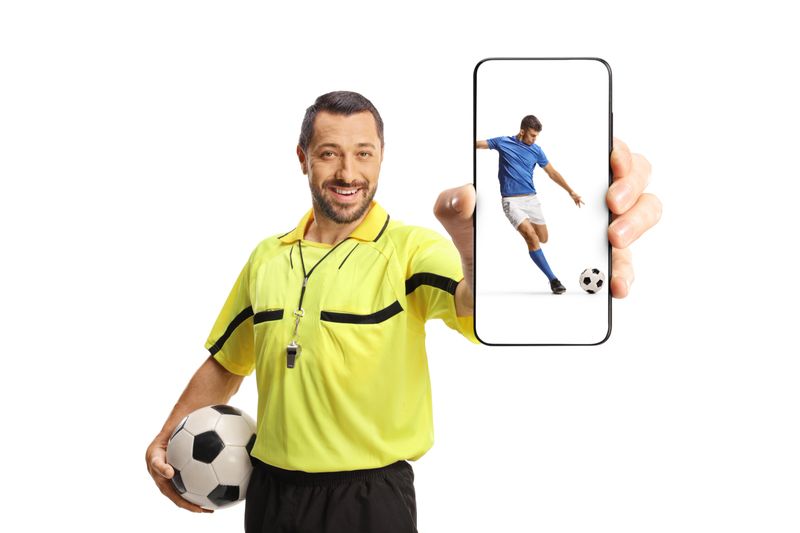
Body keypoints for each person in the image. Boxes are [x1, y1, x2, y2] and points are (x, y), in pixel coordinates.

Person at [146, 91, 661, 532]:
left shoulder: (412, 249)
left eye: (363, 154)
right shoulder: (267, 257)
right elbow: (228, 362)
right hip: (272, 498)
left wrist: (483, 263)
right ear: (302, 158)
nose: (348, 172)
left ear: (381, 157)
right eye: (329, 154)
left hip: (371, 501)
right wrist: (167, 439)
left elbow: (470, 301)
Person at [476, 115, 583, 294]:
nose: (534, 139)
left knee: (543, 238)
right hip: (511, 201)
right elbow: (479, 144)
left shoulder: (536, 150)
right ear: (522, 131)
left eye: (536, 136)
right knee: (531, 237)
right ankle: (553, 280)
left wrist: (570, 191)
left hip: (531, 199)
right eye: (532, 135)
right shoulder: (503, 142)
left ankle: (534, 244)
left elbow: (552, 173)